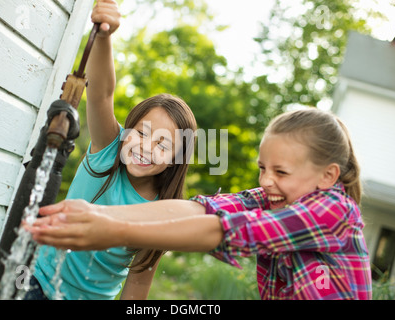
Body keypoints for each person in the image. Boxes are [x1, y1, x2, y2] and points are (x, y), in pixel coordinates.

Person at [29, 108, 372, 300]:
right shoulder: (272, 197)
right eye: (262, 169)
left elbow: (226, 231)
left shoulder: (333, 210)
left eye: (281, 171)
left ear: (328, 176)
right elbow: (201, 210)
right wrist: (98, 213)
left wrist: (114, 230)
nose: (266, 181)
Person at [26, 0, 197, 300]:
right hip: (35, 284)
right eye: (142, 133)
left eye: (163, 144)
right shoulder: (108, 152)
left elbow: (138, 284)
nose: (146, 147)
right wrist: (104, 37)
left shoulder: (162, 211)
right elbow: (101, 95)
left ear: (175, 159)